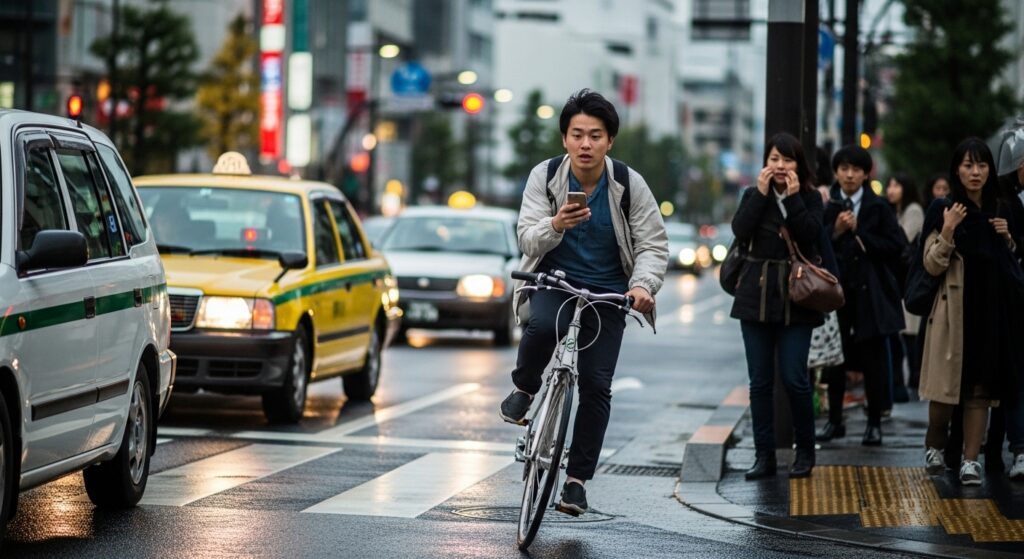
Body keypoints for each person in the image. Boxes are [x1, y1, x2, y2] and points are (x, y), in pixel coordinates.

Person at [500, 89, 668, 514]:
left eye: (595, 135)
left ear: (610, 141)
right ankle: (524, 387)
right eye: (577, 134)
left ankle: (576, 481)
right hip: (555, 280)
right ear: (564, 139)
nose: (586, 144)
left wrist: (644, 286)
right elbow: (526, 235)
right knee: (541, 326)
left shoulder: (630, 184)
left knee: (597, 385)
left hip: (610, 292)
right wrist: (555, 224)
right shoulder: (547, 175)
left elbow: (652, 244)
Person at [919, 137, 1024, 486]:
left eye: (981, 165)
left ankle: (970, 460)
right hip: (951, 314)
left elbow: (1011, 268)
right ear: (957, 170)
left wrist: (1008, 239)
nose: (975, 172)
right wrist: (948, 230)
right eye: (967, 165)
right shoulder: (942, 208)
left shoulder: (1000, 208)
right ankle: (935, 444)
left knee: (979, 391)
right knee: (944, 394)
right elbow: (931, 266)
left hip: (989, 313)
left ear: (991, 169)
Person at [730, 132, 824, 480]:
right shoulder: (753, 195)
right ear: (765, 163)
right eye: (774, 159)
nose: (780, 166)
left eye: (787, 160)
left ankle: (805, 454)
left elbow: (812, 235)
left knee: (795, 378)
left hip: (797, 295)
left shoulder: (811, 198)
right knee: (759, 382)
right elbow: (740, 230)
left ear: (799, 166)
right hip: (755, 293)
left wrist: (794, 198)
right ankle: (763, 456)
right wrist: (762, 194)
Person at [819, 145, 905, 446]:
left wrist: (861, 235)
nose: (849, 174)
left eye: (856, 169)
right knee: (835, 359)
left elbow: (897, 245)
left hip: (871, 296)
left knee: (874, 361)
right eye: (844, 168)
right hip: (838, 294)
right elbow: (817, 245)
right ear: (836, 172)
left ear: (866, 174)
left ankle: (873, 423)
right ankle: (834, 421)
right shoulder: (828, 205)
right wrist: (836, 231)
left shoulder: (878, 206)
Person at [886, 173, 925, 397]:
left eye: (896, 185)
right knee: (904, 332)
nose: (891, 189)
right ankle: (910, 380)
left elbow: (905, 239)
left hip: (908, 279)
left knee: (910, 332)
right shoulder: (897, 211)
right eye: (890, 185)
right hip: (899, 280)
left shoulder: (913, 210)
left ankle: (914, 379)